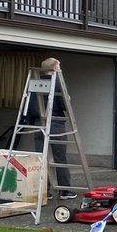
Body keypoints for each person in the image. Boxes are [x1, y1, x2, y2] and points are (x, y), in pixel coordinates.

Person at [27, 57, 76, 199]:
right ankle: (64, 190)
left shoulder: (35, 83)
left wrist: (31, 121)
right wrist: (68, 99)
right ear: (55, 68)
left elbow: (29, 105)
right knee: (59, 158)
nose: (60, 68)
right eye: (59, 66)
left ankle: (44, 191)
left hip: (38, 124)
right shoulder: (58, 84)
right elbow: (64, 105)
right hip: (55, 123)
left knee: (41, 158)